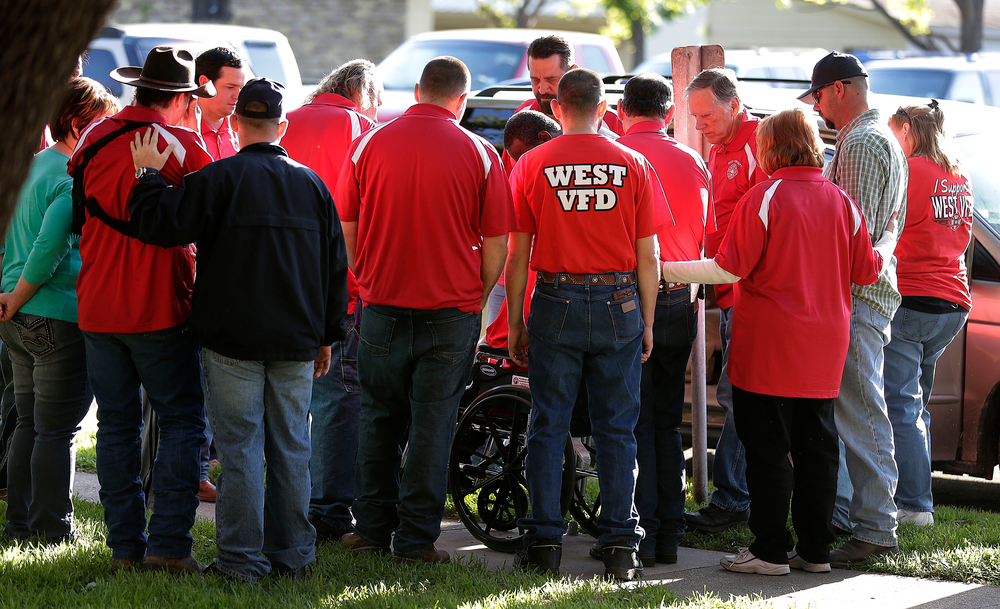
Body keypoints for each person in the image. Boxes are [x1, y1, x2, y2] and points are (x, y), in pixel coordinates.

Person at [127, 77, 349, 583]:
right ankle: (293, 557)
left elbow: (159, 224)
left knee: (241, 450)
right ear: (282, 126)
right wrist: (327, 335)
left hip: (231, 339)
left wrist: (146, 173)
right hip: (295, 337)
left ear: (234, 123)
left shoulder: (217, 178)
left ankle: (240, 561)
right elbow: (333, 267)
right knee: (292, 447)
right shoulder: (312, 184)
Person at [663, 108, 897, 576]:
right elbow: (869, 268)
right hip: (824, 349)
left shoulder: (763, 196)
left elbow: (728, 268)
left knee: (768, 449)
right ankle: (814, 550)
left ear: (770, 148)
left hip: (768, 348)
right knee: (818, 449)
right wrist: (890, 237)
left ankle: (770, 549)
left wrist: (667, 269)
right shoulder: (841, 201)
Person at [335, 56, 514, 563]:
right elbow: (496, 242)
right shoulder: (481, 153)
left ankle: (371, 528)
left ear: (416, 90)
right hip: (450, 311)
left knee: (378, 420)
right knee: (433, 427)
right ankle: (415, 540)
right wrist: (476, 296)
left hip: (382, 305)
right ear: (462, 100)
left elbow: (346, 225)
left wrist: (365, 275)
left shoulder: (368, 144)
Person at [506, 68, 666, 581]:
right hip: (620, 299)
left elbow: (517, 254)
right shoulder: (634, 162)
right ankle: (621, 545)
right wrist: (647, 320)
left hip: (556, 298)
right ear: (604, 110)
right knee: (618, 429)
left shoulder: (532, 164)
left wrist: (514, 322)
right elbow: (649, 256)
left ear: (557, 108)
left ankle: (544, 541)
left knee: (548, 425)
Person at [67, 46, 216, 574]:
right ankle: (169, 546)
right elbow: (214, 210)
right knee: (181, 423)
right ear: (180, 99)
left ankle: (125, 549)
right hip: (158, 306)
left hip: (97, 304)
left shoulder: (92, 137)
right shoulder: (183, 146)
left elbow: (73, 208)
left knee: (115, 428)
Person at [800, 50, 907, 566]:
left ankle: (877, 529)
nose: (817, 108)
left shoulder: (862, 141)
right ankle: (865, 522)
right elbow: (883, 229)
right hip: (868, 294)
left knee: (863, 415)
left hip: (858, 297)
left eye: (818, 96)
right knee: (861, 413)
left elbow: (852, 235)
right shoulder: (879, 135)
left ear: (839, 89)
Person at [0, 77, 118, 543]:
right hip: (52, 314)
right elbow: (50, 244)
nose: (108, 132)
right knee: (57, 432)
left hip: (15, 315)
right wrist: (21, 295)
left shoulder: (27, 168)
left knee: (29, 423)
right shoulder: (73, 173)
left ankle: (19, 524)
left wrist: (9, 296)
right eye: (103, 124)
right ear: (77, 124)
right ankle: (52, 532)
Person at [281, 58, 381, 542]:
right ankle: (327, 510)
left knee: (283, 397)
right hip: (337, 288)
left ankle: (286, 501)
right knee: (339, 396)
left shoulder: (287, 120)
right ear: (364, 94)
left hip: (274, 284)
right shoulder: (362, 129)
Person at [616, 72, 713, 567]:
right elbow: (706, 236)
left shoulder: (616, 159)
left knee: (631, 421)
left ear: (623, 112)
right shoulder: (695, 160)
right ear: (670, 113)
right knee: (666, 420)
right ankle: (667, 533)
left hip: (629, 297)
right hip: (681, 299)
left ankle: (644, 528)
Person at [683, 68, 766, 533]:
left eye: (707, 115)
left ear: (735, 105)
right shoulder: (719, 147)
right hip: (727, 288)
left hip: (750, 292)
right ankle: (737, 496)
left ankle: (733, 500)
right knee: (734, 394)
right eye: (694, 117)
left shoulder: (760, 142)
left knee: (737, 395)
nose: (700, 126)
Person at [884, 101, 972, 527]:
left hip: (912, 298)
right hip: (951, 303)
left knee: (901, 404)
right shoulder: (958, 174)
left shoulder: (912, 170)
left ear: (909, 130)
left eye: (894, 133)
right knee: (915, 405)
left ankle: (915, 505)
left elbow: (887, 227)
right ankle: (916, 496)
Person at [482, 110, 561, 328]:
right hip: (508, 277)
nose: (521, 167)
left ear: (544, 138)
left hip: (548, 283)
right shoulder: (524, 166)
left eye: (524, 159)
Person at [194, 46, 247, 161]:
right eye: (230, 87)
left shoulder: (244, 131)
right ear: (204, 82)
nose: (237, 96)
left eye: (241, 89)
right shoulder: (179, 129)